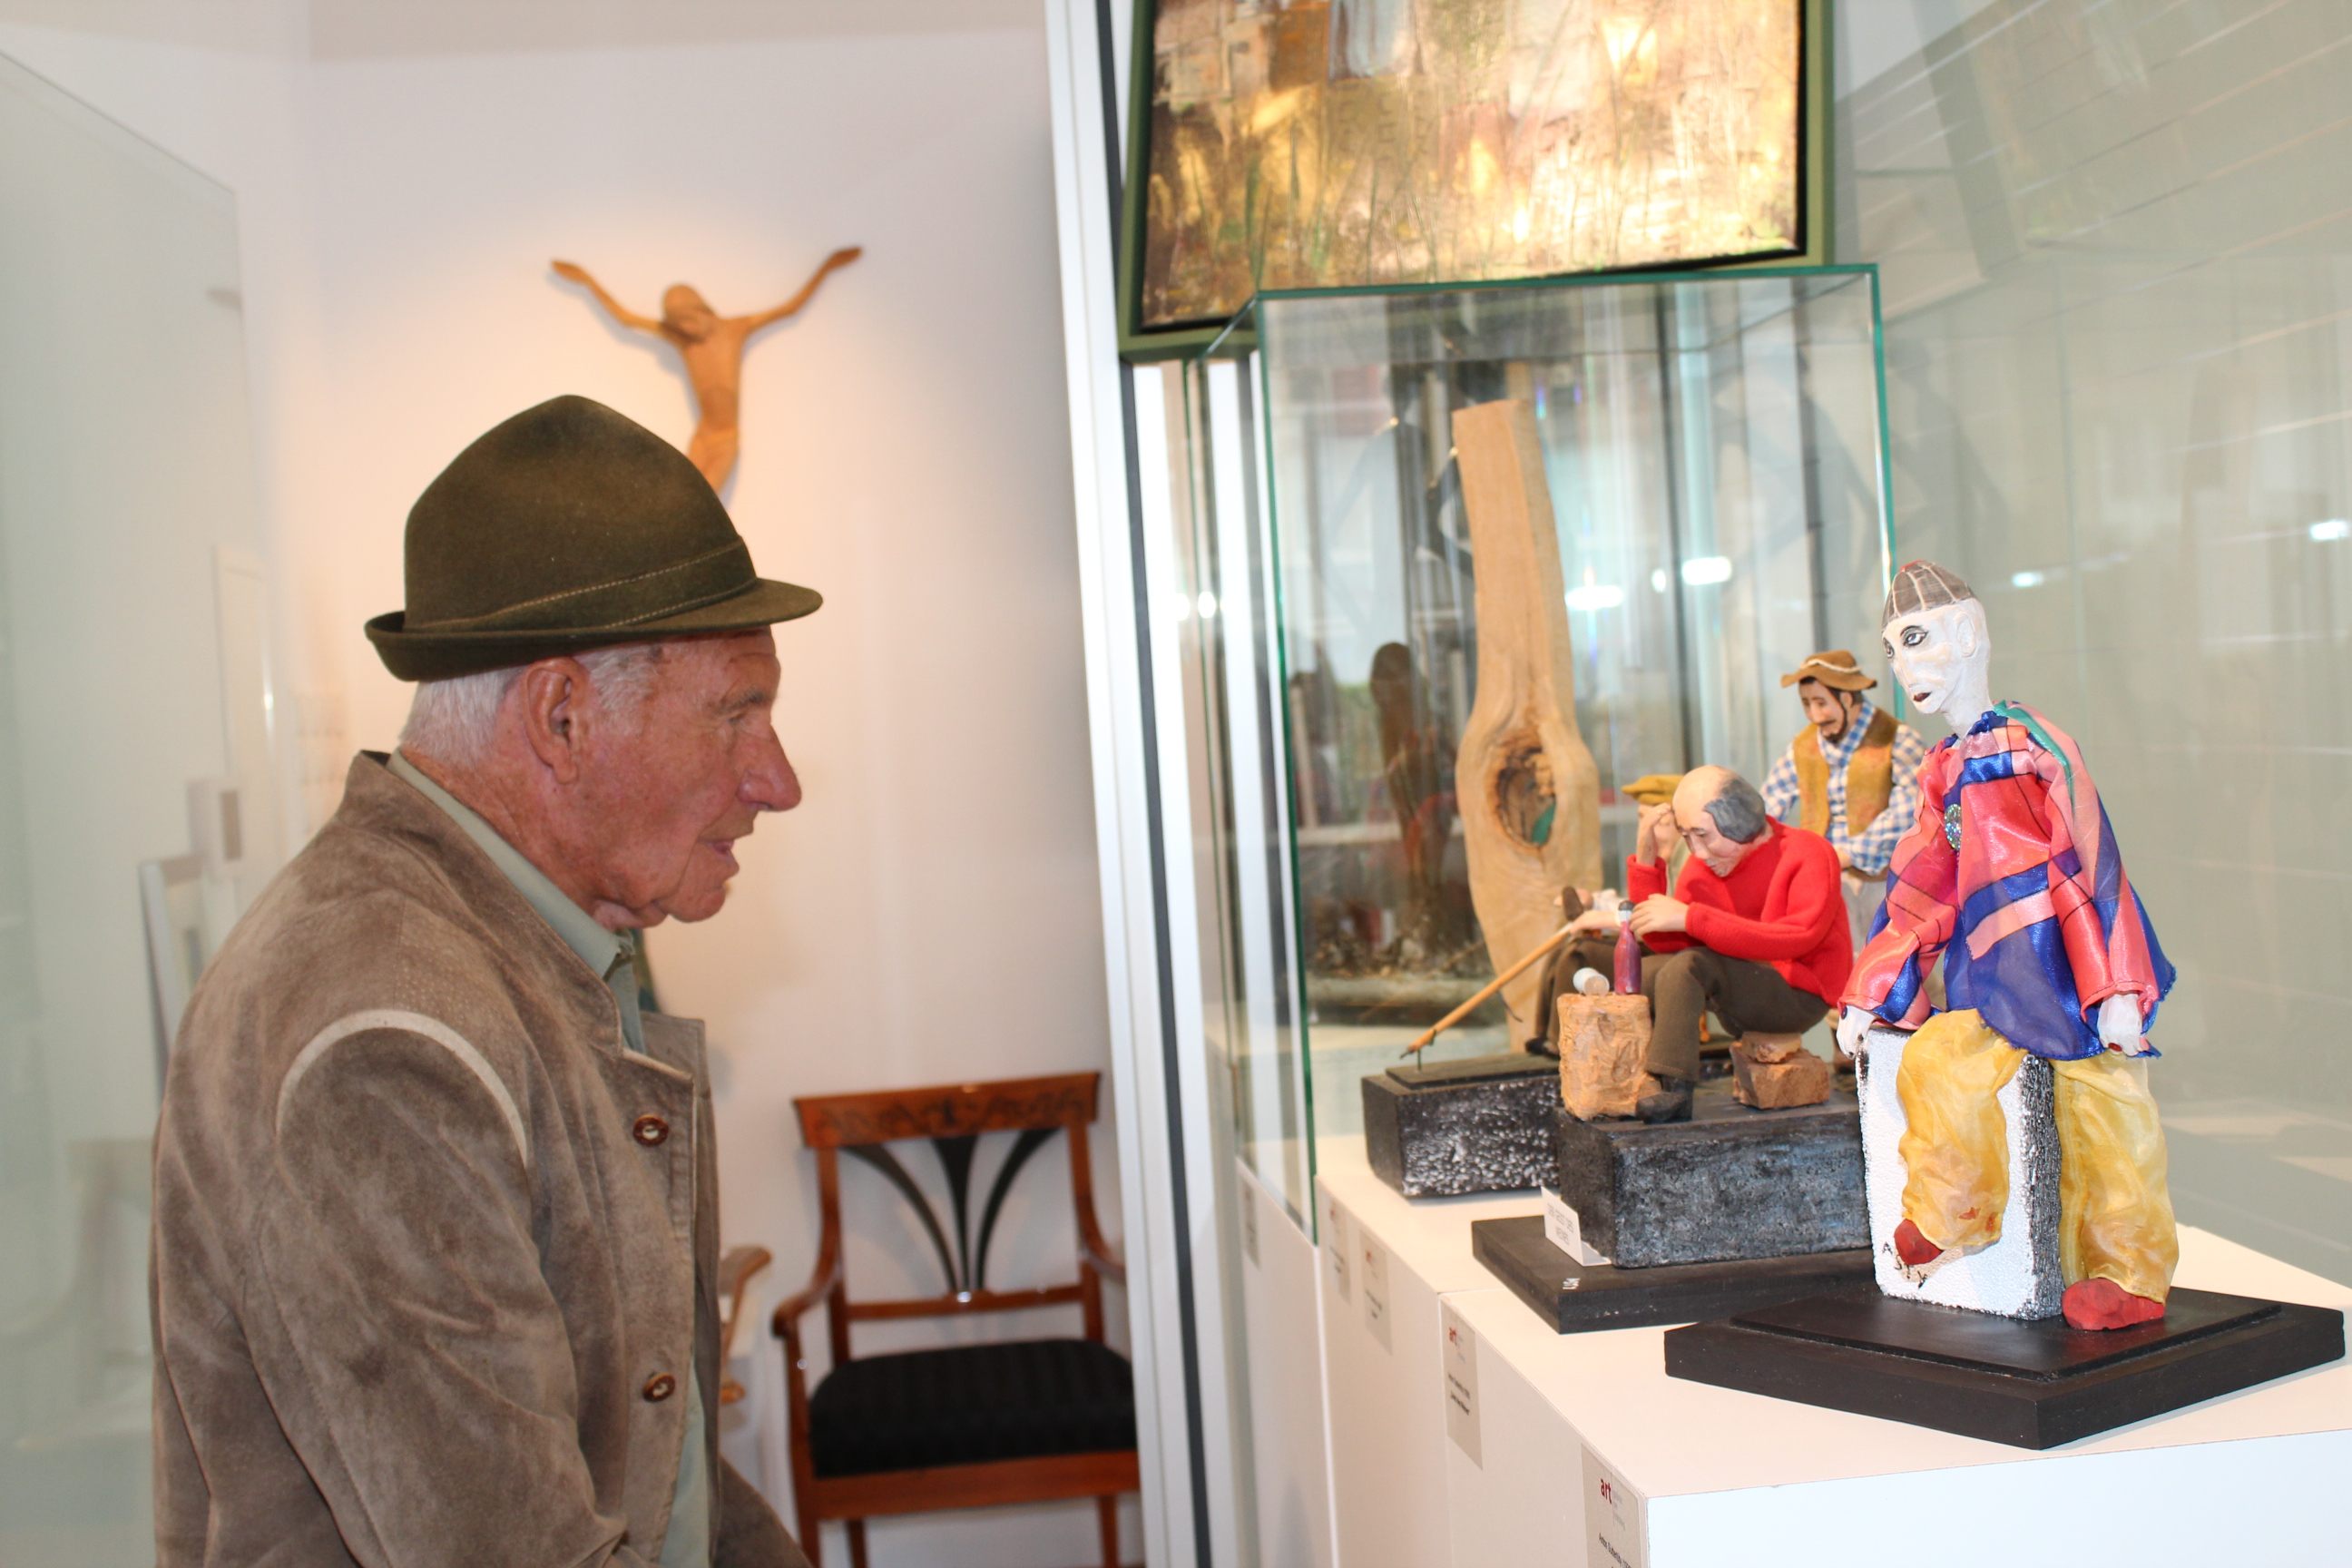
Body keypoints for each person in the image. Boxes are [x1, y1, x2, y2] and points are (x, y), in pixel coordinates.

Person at [151, 396, 822, 1566]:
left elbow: (652, 1467)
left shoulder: (521, 948)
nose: (778, 780)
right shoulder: (389, 1038)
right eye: (737, 715)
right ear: (562, 717)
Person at [1836, 561, 2177, 1331]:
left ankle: (2127, 1273)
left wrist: (2118, 986)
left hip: (2070, 974)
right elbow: (1922, 886)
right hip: (1993, 982)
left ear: (1966, 635)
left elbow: (2093, 853)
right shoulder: (1943, 771)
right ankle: (1952, 1210)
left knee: (2110, 1117)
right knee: (1935, 1064)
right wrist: (1872, 989)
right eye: (1893, 650)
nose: (1904, 669)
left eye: (1916, 640)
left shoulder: (2035, 746)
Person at [1549, 766, 1850, 1122]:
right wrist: (1646, 861)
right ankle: (1589, 1064)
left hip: (1796, 993)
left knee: (1689, 966)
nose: (1698, 851)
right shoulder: (1703, 866)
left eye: (1703, 835)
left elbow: (1798, 937)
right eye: (1687, 837)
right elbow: (1665, 941)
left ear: (1740, 819)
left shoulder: (1808, 852)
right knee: (1623, 964)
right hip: (1737, 983)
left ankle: (1674, 1086)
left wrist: (1692, 917)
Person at [554, 249, 862, 490]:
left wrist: (827, 266)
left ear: (702, 309)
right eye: (678, 324)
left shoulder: (735, 330)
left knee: (706, 503)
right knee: (683, 495)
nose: (685, 328)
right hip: (702, 436)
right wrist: (587, 281)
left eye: (688, 319)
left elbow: (790, 308)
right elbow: (625, 318)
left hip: (725, 439)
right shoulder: (682, 341)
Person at [1759, 649, 1930, 950]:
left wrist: (1847, 854)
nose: (1814, 715)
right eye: (1806, 704)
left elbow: (1909, 810)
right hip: (1825, 884)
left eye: (1821, 703)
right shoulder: (1803, 747)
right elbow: (1771, 801)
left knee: (1895, 961)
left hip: (1886, 883)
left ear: (1848, 699)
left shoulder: (1898, 740)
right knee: (1837, 963)